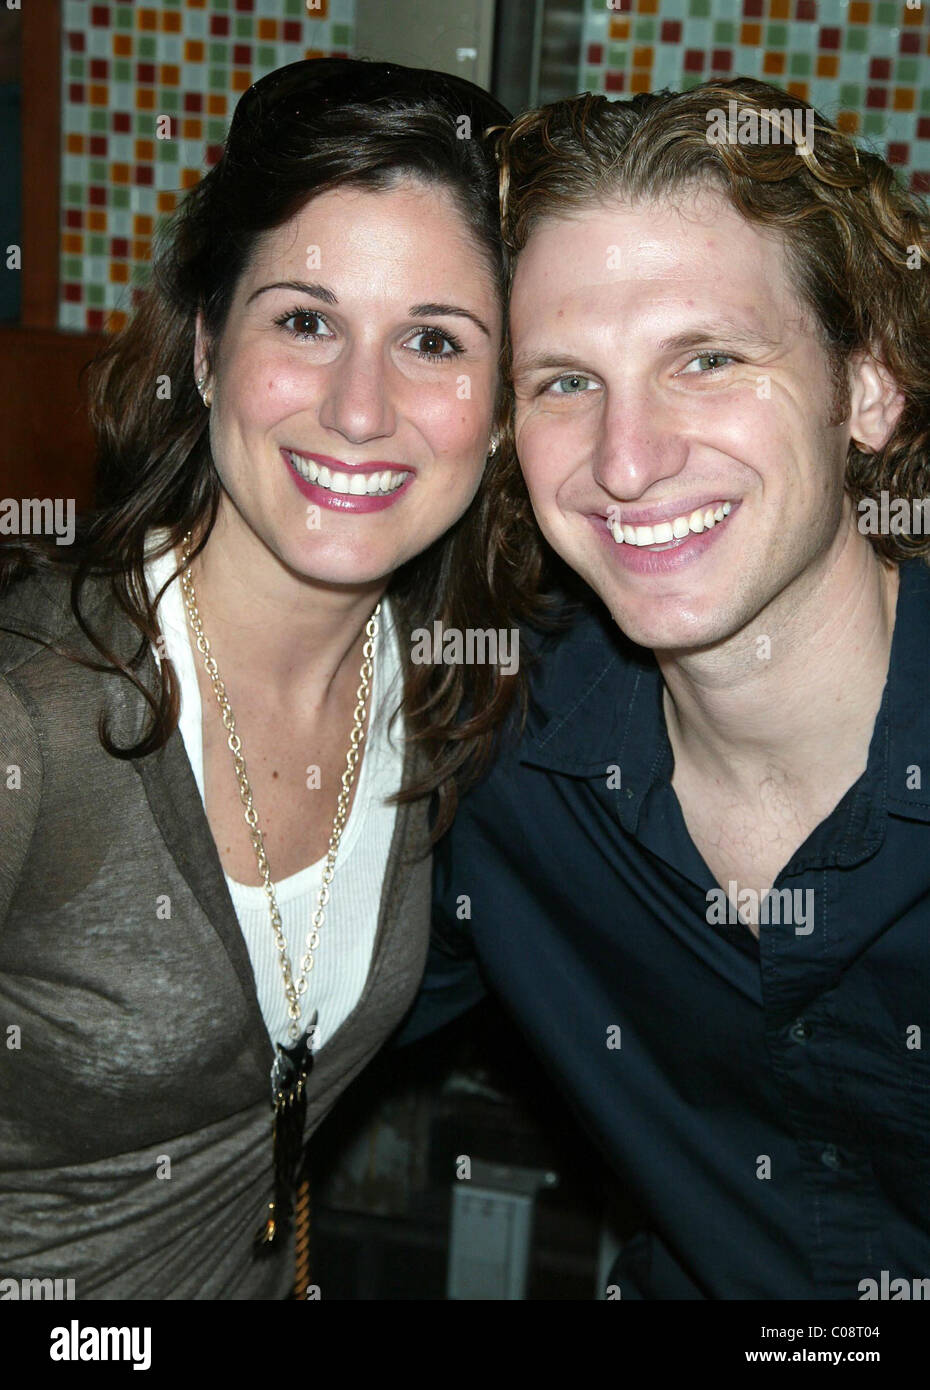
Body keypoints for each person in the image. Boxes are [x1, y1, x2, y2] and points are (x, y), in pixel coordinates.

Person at [0, 57, 533, 1300]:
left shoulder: (459, 693)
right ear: (205, 343)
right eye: (305, 319)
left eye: (434, 341)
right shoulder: (36, 714)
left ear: (504, 408)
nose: (359, 407)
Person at [401, 78, 930, 1299]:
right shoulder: (495, 754)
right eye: (565, 382)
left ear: (870, 385)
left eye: (705, 357)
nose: (627, 462)